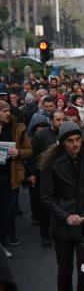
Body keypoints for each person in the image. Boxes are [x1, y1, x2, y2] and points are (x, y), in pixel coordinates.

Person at [40, 121, 84, 291]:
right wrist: (66, 216)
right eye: (70, 140)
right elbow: (46, 197)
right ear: (62, 142)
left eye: (78, 139)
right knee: (64, 270)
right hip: (62, 224)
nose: (75, 144)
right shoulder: (52, 163)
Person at [27, 110, 65, 247]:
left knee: (60, 206)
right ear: (51, 121)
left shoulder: (67, 135)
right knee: (45, 208)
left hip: (63, 177)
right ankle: (45, 235)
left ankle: (58, 234)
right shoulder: (41, 136)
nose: (61, 123)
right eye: (58, 120)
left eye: (63, 120)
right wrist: (31, 173)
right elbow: (32, 155)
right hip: (44, 176)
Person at [0, 101, 31, 256]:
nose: (7, 114)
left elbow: (29, 150)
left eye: (8, 111)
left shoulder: (17, 129)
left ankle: (5, 240)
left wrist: (18, 153)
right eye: (4, 111)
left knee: (8, 210)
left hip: (11, 176)